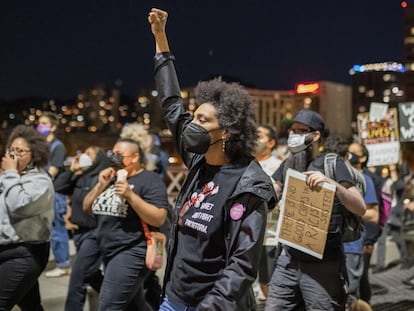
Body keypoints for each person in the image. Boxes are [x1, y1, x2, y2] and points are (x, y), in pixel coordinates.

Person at [149, 8, 277, 311]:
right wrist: (159, 38)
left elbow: (243, 264)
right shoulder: (197, 160)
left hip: (216, 306)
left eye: (202, 120)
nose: (192, 124)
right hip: (173, 299)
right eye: (193, 116)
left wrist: (212, 306)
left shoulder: (249, 185)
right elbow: (170, 104)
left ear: (227, 131)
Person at [265, 109, 366, 311]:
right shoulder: (289, 162)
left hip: (324, 265)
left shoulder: (332, 163)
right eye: (291, 130)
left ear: (315, 135)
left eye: (298, 130)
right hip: (288, 260)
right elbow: (272, 191)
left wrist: (332, 184)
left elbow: (360, 207)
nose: (292, 135)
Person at [83, 138, 169, 310]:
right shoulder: (110, 178)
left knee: (109, 306)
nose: (114, 158)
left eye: (119, 154)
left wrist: (130, 196)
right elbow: (86, 207)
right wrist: (101, 185)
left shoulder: (149, 180)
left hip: (131, 250)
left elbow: (159, 217)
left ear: (135, 157)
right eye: (112, 154)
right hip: (108, 249)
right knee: (135, 306)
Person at [0, 125, 54, 310]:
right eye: (11, 150)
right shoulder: (9, 177)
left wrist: (9, 174)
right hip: (5, 249)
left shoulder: (40, 181)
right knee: (31, 306)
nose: (13, 155)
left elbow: (18, 206)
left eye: (20, 151)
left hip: (24, 253)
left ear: (35, 154)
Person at [53, 146, 110, 311]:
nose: (85, 156)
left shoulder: (102, 179)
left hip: (94, 234)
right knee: (91, 274)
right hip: (79, 233)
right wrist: (72, 170)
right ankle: (128, 302)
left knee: (77, 280)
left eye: (90, 154)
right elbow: (58, 186)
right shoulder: (80, 176)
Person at [37, 111, 71, 278]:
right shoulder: (42, 145)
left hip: (55, 192)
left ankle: (63, 264)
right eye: (39, 123)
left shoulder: (58, 146)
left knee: (57, 229)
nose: (40, 126)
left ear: (53, 127)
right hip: (44, 191)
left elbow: (53, 171)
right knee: (47, 230)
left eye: (44, 123)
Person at [348, 143, 380, 304]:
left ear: (363, 157)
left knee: (358, 285)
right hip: (336, 247)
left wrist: (371, 239)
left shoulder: (368, 179)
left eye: (354, 152)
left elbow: (375, 214)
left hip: (359, 241)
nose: (350, 155)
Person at [254, 125, 282, 300]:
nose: (254, 139)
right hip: (249, 237)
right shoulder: (246, 164)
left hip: (270, 237)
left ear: (271, 143)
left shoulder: (277, 168)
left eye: (260, 136)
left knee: (269, 282)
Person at [374, 163, 413, 272]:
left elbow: (397, 186)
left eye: (392, 170)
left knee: (398, 238)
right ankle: (380, 265)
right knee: (381, 239)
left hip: (395, 214)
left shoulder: (401, 182)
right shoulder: (386, 180)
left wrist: (393, 172)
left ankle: (406, 259)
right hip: (385, 213)